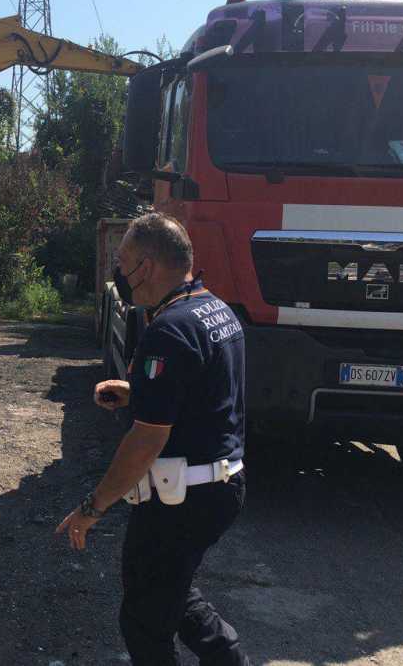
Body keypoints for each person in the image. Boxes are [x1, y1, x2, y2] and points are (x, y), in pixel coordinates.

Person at [56, 212, 251, 666]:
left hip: (182, 499)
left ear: (146, 266)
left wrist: (93, 508)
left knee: (144, 620)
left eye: (122, 262)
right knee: (172, 592)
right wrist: (139, 393)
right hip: (220, 486)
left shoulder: (169, 329)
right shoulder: (214, 309)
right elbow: (207, 392)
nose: (117, 273)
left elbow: (146, 442)